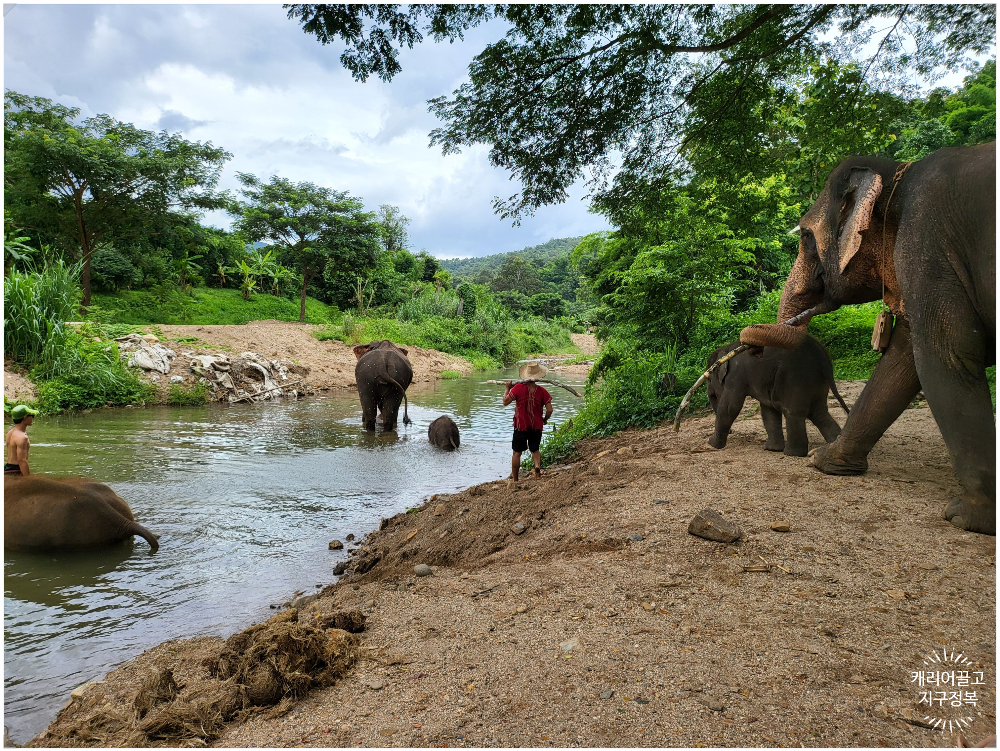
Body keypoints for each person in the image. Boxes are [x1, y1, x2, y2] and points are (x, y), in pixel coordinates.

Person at [503, 362, 553, 481]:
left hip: (521, 425)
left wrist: (507, 388)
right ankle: (537, 467)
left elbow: (505, 402)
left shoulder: (517, 388)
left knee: (517, 453)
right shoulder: (542, 391)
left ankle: (515, 480)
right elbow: (550, 410)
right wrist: (545, 419)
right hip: (536, 425)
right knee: (535, 449)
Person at [5, 404, 38, 476]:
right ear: (25, 418)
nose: (32, 418)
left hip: (7, 468)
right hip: (16, 470)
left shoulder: (10, 433)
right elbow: (22, 460)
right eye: (32, 416)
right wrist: (28, 479)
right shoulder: (22, 437)